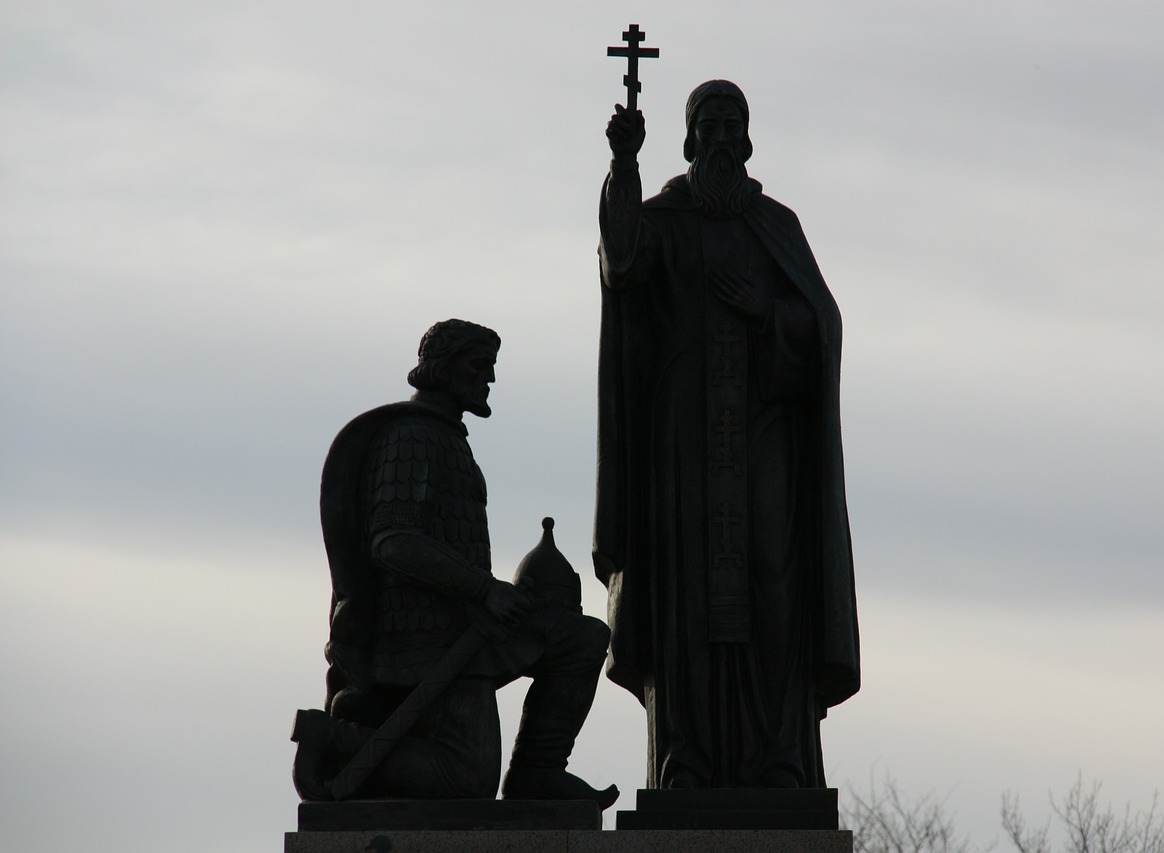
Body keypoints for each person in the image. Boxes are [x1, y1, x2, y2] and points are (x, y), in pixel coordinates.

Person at [595, 80, 860, 789]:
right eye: (706, 124)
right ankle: (687, 757)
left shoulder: (775, 224)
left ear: (746, 140)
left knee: (772, 581)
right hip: (681, 440)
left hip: (764, 436)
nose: (718, 136)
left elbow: (822, 326)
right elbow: (621, 260)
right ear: (688, 139)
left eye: (729, 124)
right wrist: (625, 164)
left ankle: (778, 760)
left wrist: (767, 311)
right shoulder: (664, 219)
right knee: (685, 592)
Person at [293, 319, 617, 807]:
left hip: (466, 625)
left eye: (490, 368)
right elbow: (394, 542)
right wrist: (485, 589)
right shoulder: (411, 438)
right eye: (478, 367)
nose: (488, 380)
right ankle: (336, 740)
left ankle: (537, 769)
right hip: (423, 639)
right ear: (442, 369)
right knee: (466, 782)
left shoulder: (447, 439)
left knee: (581, 639)